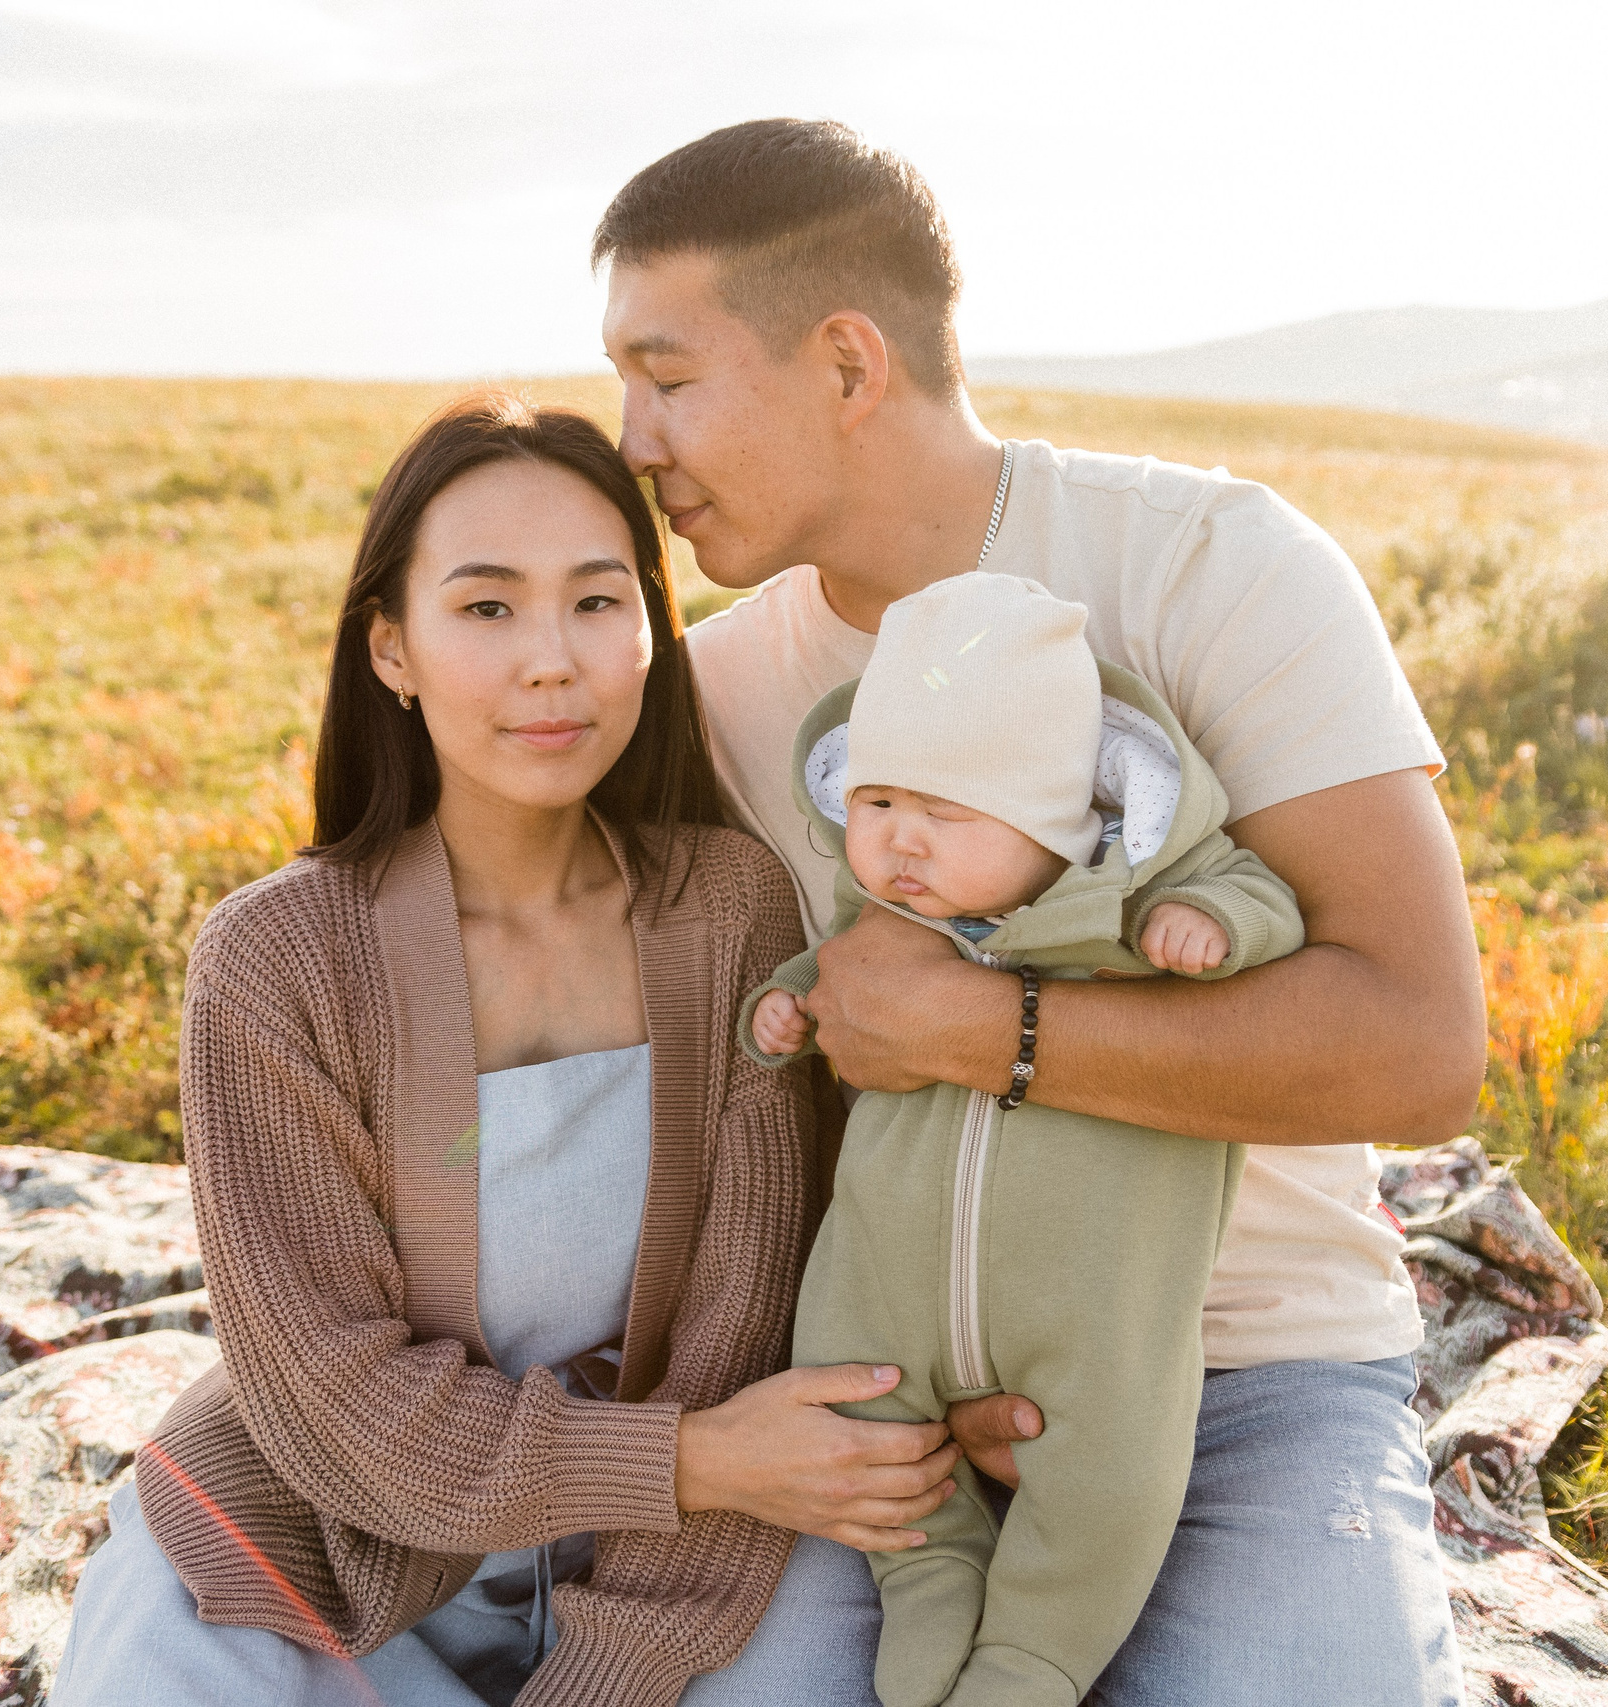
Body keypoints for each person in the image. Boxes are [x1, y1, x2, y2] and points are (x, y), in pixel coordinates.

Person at [598, 120, 1484, 1705]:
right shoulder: (724, 695)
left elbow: (1420, 1045)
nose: (631, 437)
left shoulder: (1215, 567)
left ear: (849, 362)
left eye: (666, 377)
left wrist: (984, 1030)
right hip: (888, 1391)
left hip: (1251, 1372)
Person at [52, 397, 964, 1707]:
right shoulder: (274, 959)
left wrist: (623, 1637)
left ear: (653, 632)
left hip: (691, 1548)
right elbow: (336, 1401)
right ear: (392, 647)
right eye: (486, 608)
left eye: (599, 602)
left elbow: (739, 1318)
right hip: (343, 1536)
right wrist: (688, 1456)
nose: (554, 661)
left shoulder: (729, 907)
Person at [738, 570, 1303, 1707]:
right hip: (889, 1286)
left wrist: (1212, 925)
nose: (900, 844)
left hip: (1090, 1317)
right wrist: (790, 1006)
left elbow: (1267, 901)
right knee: (845, 1383)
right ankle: (929, 1571)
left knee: (1111, 1479)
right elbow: (833, 978)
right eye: (881, 804)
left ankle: (1034, 1656)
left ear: (1053, 818)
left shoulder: (1130, 913)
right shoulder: (888, 920)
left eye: (945, 816)